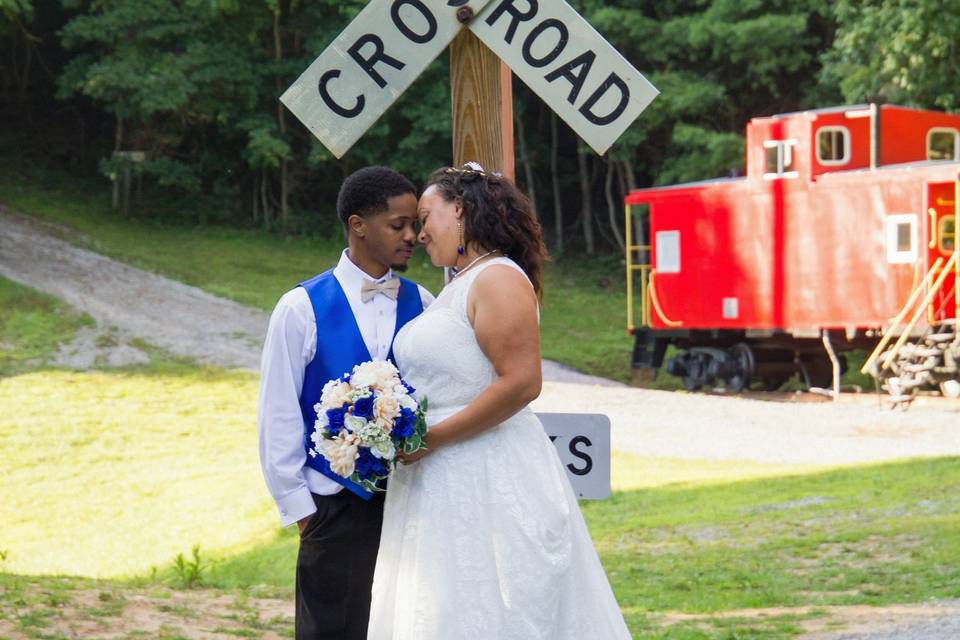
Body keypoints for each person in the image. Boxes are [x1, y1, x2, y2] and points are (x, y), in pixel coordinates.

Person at [367, 163, 631, 639]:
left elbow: (522, 382)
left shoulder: (497, 279)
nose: (420, 232)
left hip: (485, 473)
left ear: (462, 210)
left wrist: (433, 437)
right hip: (440, 478)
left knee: (492, 607)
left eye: (427, 217)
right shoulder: (457, 286)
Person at [257, 166, 434, 640]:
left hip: (411, 501)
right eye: (398, 225)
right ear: (359, 225)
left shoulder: (426, 303)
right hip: (332, 506)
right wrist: (302, 510)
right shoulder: (299, 307)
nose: (412, 236)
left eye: (414, 224)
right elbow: (278, 412)